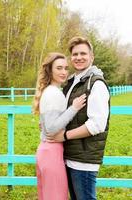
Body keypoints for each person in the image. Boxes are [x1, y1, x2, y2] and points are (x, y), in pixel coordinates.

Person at [46, 37, 110, 200]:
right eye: (75, 54)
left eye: (83, 53)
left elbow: (97, 125)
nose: (79, 57)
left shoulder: (96, 84)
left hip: (84, 160)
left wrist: (65, 135)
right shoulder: (72, 82)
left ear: (92, 57)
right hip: (69, 156)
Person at [33, 52, 87, 200]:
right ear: (50, 70)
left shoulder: (51, 91)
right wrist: (74, 108)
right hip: (51, 151)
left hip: (47, 150)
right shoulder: (53, 93)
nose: (64, 72)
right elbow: (51, 128)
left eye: (65, 68)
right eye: (59, 68)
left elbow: (47, 124)